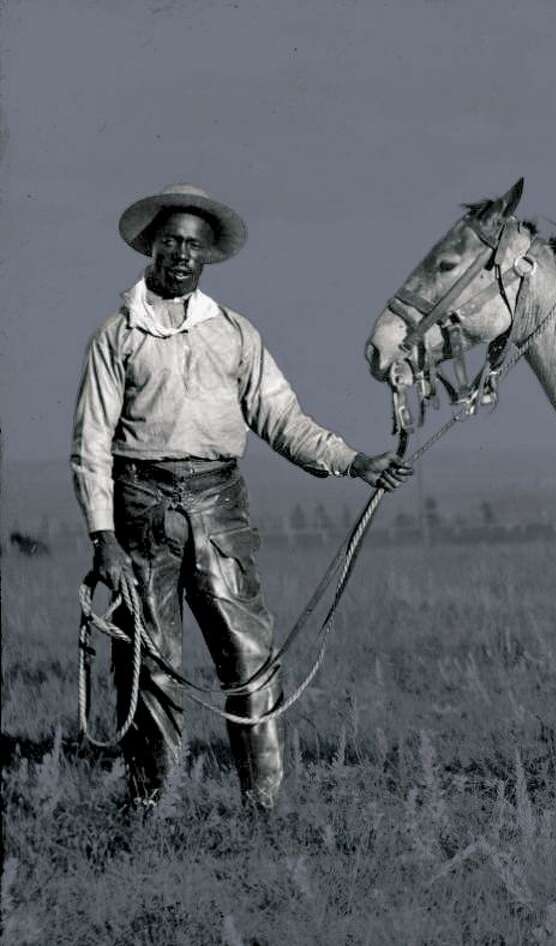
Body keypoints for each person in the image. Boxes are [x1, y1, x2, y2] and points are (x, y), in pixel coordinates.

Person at [71, 183, 411, 811]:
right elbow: (91, 445)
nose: (181, 254)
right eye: (170, 241)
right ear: (150, 247)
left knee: (251, 661)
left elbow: (283, 419)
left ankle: (265, 809)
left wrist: (356, 461)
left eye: (193, 245)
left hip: (220, 509)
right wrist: (103, 540)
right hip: (140, 513)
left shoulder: (234, 334)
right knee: (150, 667)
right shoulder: (116, 334)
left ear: (208, 258)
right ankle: (154, 809)